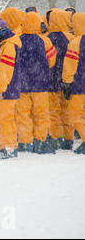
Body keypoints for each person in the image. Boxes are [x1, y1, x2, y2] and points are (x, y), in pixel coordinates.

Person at [17, 12, 57, 154]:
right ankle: (40, 141)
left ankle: (24, 142)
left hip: (22, 85)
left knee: (23, 115)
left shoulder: (18, 40)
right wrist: (42, 69)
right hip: (41, 84)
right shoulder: (45, 41)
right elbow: (52, 60)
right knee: (41, 114)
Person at [0, 20, 22, 159]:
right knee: (5, 120)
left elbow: (5, 70)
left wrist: (0, 88)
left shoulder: (8, 46)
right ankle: (8, 146)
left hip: (5, 90)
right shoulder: (4, 45)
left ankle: (8, 147)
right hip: (8, 88)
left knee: (5, 120)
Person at [47, 9, 75, 150]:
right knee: (67, 112)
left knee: (53, 112)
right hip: (67, 81)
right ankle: (68, 138)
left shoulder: (46, 38)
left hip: (51, 81)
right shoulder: (71, 38)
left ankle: (55, 138)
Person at [62, 12, 85, 154]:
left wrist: (67, 82)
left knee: (76, 116)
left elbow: (70, 66)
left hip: (79, 86)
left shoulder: (76, 42)